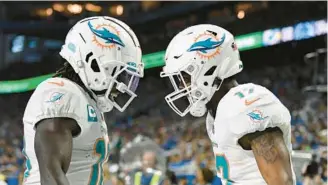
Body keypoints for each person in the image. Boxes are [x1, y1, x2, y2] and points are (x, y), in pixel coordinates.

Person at [160, 24, 296, 185]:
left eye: (185, 78)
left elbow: (282, 183)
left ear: (207, 70)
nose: (182, 87)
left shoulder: (245, 105)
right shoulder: (217, 114)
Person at [22, 16, 144, 185]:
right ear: (93, 62)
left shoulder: (83, 99)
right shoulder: (61, 91)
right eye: (119, 74)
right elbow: (51, 176)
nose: (122, 85)